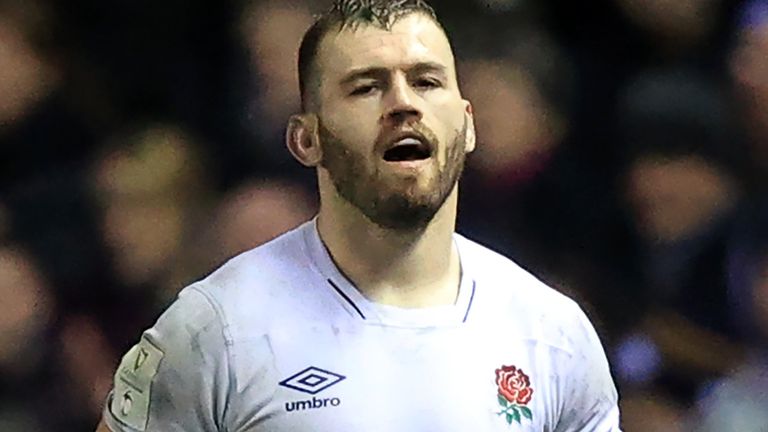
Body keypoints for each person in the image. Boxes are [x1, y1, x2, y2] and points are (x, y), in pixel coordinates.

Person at [96, 1, 620, 430]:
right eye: (367, 86)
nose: (403, 104)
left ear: (468, 124)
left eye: (427, 82)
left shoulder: (552, 334)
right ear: (307, 139)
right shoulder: (218, 330)